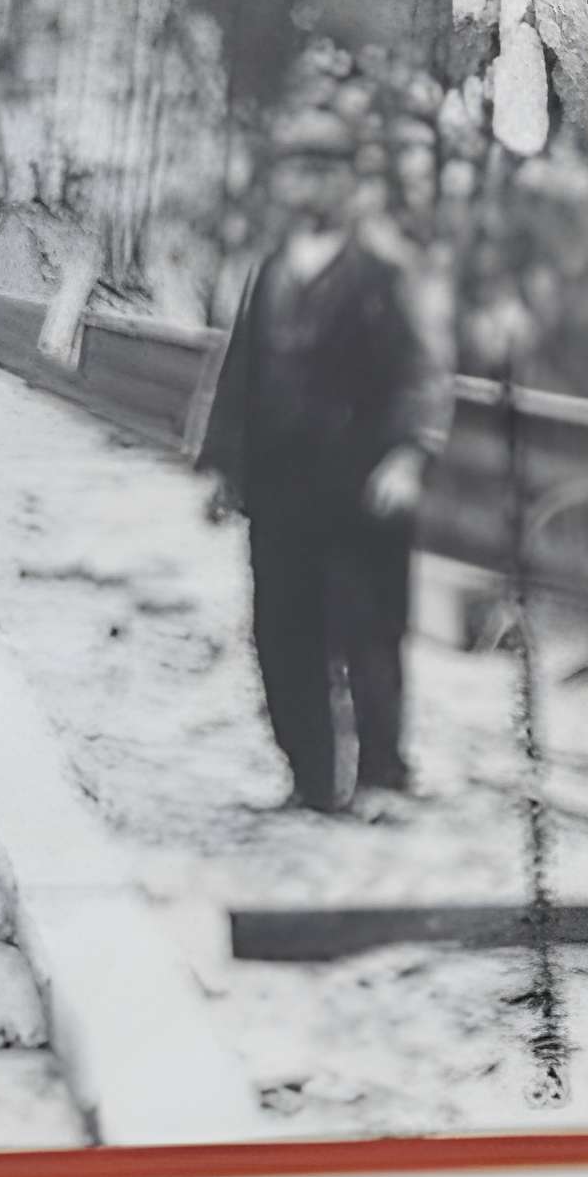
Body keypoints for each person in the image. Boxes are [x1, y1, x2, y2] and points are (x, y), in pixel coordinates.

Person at [194, 107, 447, 818]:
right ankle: (310, 780)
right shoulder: (269, 272)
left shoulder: (385, 271)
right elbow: (240, 374)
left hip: (361, 494)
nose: (307, 182)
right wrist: (222, 468)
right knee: (283, 634)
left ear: (349, 180)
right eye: (296, 168)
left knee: (368, 635)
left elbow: (420, 373)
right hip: (280, 496)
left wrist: (408, 456)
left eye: (323, 169)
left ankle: (381, 779)